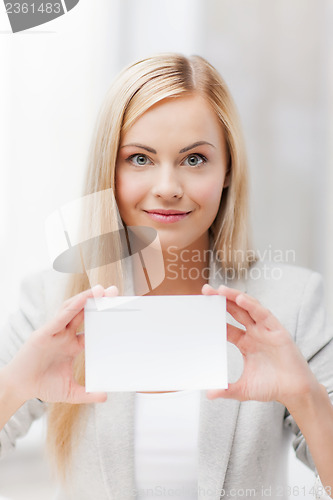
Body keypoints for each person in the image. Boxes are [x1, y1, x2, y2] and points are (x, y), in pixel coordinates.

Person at [0, 52, 333, 500]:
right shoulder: (51, 300)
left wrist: (306, 398)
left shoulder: (293, 302)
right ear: (109, 172)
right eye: (139, 159)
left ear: (228, 169)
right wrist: (13, 388)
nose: (168, 186)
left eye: (194, 159)